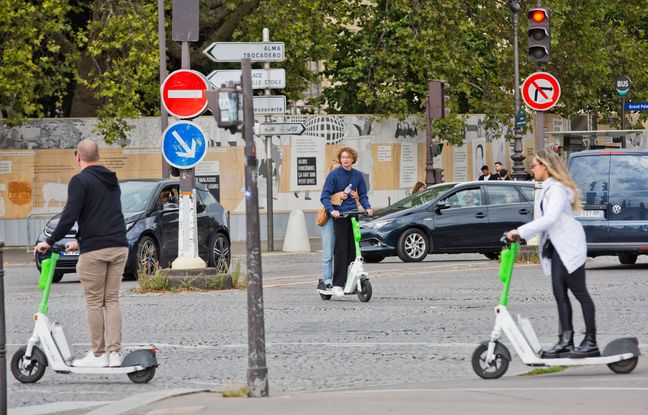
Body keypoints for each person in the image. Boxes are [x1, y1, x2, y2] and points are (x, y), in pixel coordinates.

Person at [35, 139, 129, 368]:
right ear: (98, 155)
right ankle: (115, 354)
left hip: (96, 251)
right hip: (118, 245)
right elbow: (103, 213)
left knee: (95, 302)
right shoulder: (111, 179)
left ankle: (98, 355)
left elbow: (69, 216)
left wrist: (49, 240)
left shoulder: (79, 181)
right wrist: (79, 240)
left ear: (78, 157)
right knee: (112, 300)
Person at [506, 149, 598, 359]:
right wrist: (523, 236)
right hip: (557, 248)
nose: (531, 169)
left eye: (534, 165)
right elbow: (545, 222)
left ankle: (591, 341)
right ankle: (566, 340)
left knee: (580, 292)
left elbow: (550, 219)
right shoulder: (548, 188)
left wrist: (520, 231)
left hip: (569, 247)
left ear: (545, 167)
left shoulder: (556, 189)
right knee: (559, 293)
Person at [320, 147, 373, 297]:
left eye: (348, 157)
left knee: (354, 249)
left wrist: (368, 208)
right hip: (340, 216)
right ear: (340, 159)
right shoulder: (334, 175)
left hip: (353, 215)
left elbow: (363, 195)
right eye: (343, 157)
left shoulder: (357, 175)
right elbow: (324, 196)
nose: (345, 160)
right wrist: (332, 210)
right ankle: (337, 284)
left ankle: (352, 279)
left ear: (353, 159)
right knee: (340, 249)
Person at [318, 160, 343, 291]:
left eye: (339, 169)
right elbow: (325, 198)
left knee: (342, 252)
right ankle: (327, 279)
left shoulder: (347, 184)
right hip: (329, 219)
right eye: (334, 169)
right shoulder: (328, 183)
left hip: (344, 220)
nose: (337, 171)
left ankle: (340, 279)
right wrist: (339, 195)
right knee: (328, 252)